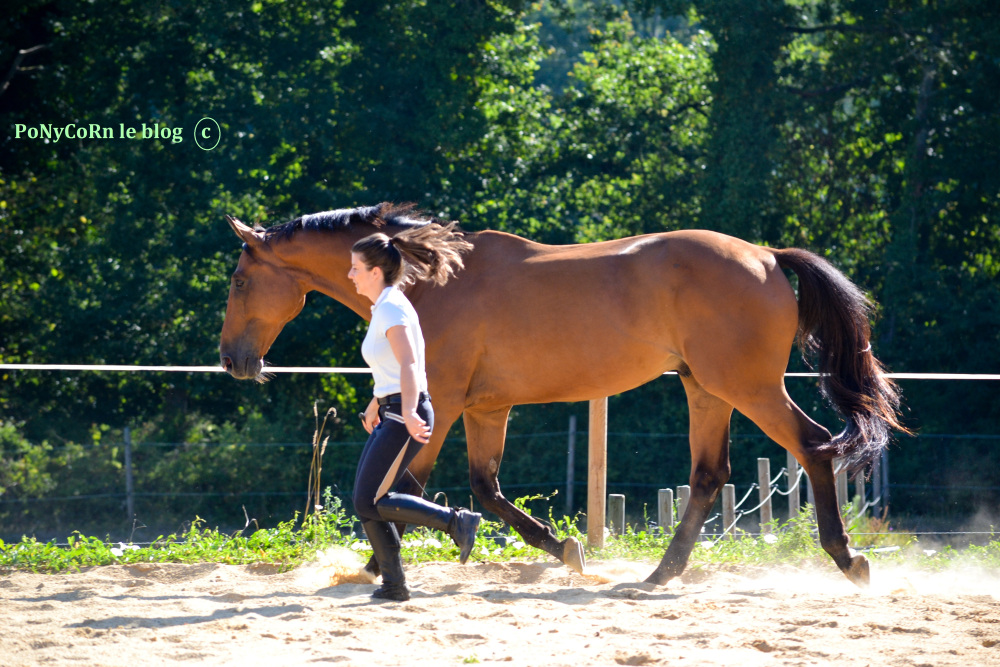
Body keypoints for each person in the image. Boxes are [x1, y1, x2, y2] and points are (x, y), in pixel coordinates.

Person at [349, 218, 480, 602]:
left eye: (356, 268)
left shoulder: (390, 309)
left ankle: (456, 521)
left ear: (375, 272)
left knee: (371, 499)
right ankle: (394, 585)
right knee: (366, 501)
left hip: (406, 414)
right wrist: (377, 400)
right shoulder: (385, 306)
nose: (350, 274)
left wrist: (407, 412)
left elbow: (409, 364)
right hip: (391, 409)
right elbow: (394, 365)